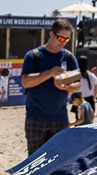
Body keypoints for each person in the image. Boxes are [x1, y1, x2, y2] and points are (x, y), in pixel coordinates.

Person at [20, 18, 80, 155]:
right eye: (60, 38)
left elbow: (78, 85)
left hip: (60, 119)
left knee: (58, 160)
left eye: (67, 39)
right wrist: (50, 73)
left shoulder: (69, 57)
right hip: (35, 118)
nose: (63, 42)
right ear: (51, 34)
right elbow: (25, 82)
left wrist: (68, 88)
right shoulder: (34, 56)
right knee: (34, 161)